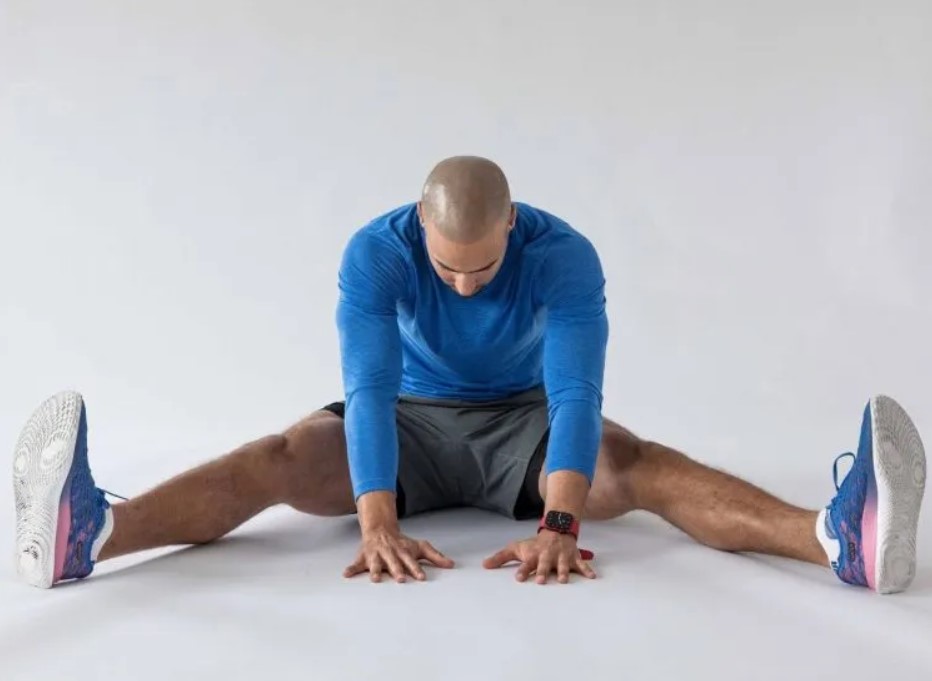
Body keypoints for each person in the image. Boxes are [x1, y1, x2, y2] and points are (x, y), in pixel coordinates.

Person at [11, 156, 927, 593]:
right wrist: (376, 518)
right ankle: (90, 534)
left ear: (514, 225)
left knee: (635, 460)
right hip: (406, 423)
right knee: (284, 452)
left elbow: (575, 396)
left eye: (480, 266)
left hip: (524, 429)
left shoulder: (565, 258)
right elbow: (368, 391)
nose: (461, 281)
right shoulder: (374, 254)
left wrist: (561, 518)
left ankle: (837, 538)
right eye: (445, 266)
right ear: (418, 226)